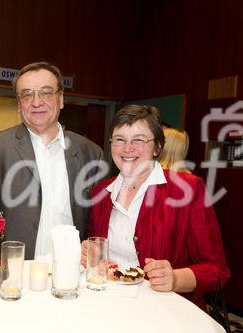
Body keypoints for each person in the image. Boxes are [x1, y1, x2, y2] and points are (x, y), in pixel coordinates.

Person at [83, 105, 229, 305]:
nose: (127, 148)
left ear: (158, 147)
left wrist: (176, 279)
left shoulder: (188, 189)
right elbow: (97, 251)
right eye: (119, 139)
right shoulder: (101, 192)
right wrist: (89, 253)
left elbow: (217, 271)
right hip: (108, 305)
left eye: (139, 140)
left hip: (165, 311)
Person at [0, 61, 105, 259]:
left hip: (71, 272)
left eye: (46, 93)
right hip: (14, 273)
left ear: (61, 98)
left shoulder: (91, 153)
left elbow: (97, 223)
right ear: (19, 104)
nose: (36, 102)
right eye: (27, 94)